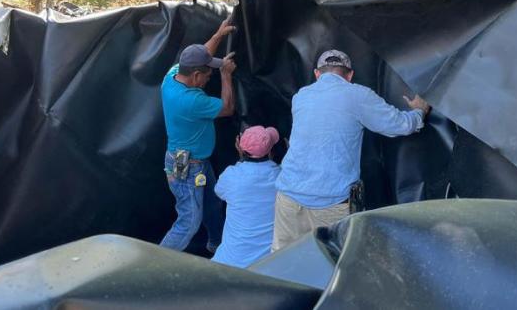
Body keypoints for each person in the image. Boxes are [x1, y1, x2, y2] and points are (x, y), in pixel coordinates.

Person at [272, 49, 430, 251]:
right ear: (349, 75)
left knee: (283, 264)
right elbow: (401, 125)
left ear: (317, 74)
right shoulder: (357, 95)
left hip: (288, 199)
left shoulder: (301, 97)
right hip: (330, 203)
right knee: (333, 268)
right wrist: (420, 110)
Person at [159, 19, 237, 252]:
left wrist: (218, 35)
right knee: (189, 222)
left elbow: (199, 56)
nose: (208, 78)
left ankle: (216, 245)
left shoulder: (171, 78)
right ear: (195, 76)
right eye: (207, 75)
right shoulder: (192, 100)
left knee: (212, 203)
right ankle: (155, 264)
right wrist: (225, 76)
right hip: (188, 168)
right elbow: (227, 108)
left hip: (194, 162)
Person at [212, 126, 281, 268]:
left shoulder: (232, 175)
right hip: (267, 265)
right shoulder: (281, 176)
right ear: (270, 150)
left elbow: (219, 191)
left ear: (239, 147)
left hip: (229, 262)